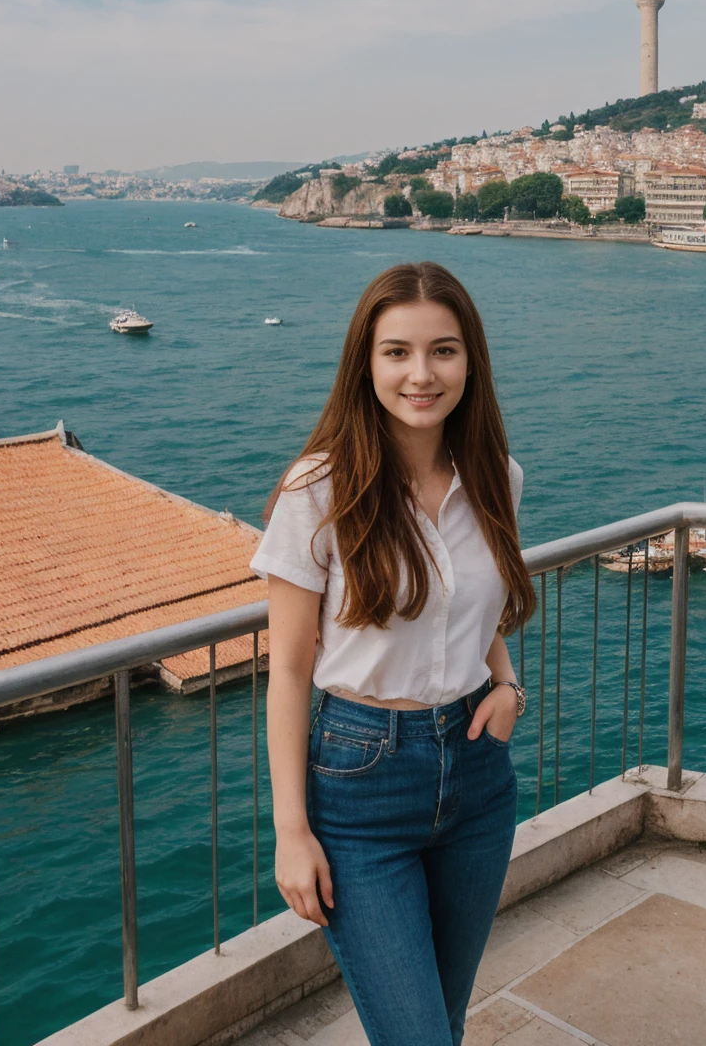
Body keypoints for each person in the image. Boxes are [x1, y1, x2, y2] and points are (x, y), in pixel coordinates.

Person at [251, 261, 535, 1046]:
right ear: (365, 364)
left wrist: (508, 686)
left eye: (443, 350)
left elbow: (481, 607)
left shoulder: (495, 479)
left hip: (476, 779)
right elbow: (290, 670)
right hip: (359, 785)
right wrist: (291, 830)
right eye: (397, 352)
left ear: (470, 360)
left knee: (440, 1023)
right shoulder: (320, 489)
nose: (421, 373)